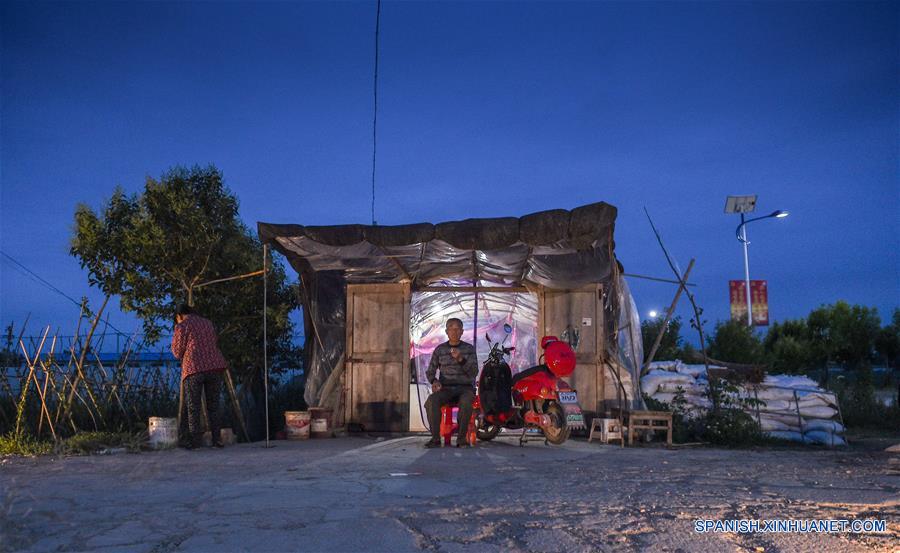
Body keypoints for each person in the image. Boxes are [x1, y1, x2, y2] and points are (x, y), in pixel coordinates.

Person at [171, 304, 228, 449]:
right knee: (213, 406)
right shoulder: (207, 323)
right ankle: (217, 440)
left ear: (179, 316)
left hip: (194, 368)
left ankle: (195, 442)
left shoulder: (182, 326)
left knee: (193, 407)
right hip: (215, 366)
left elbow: (177, 352)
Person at [423, 318, 478, 448]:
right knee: (432, 401)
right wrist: (434, 381)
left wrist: (460, 359)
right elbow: (430, 371)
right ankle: (435, 439)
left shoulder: (469, 349)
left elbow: (474, 372)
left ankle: (461, 440)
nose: (454, 331)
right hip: (445, 389)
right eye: (451, 329)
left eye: (458, 329)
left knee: (466, 402)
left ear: (462, 331)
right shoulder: (440, 350)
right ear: (446, 331)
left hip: (465, 389)